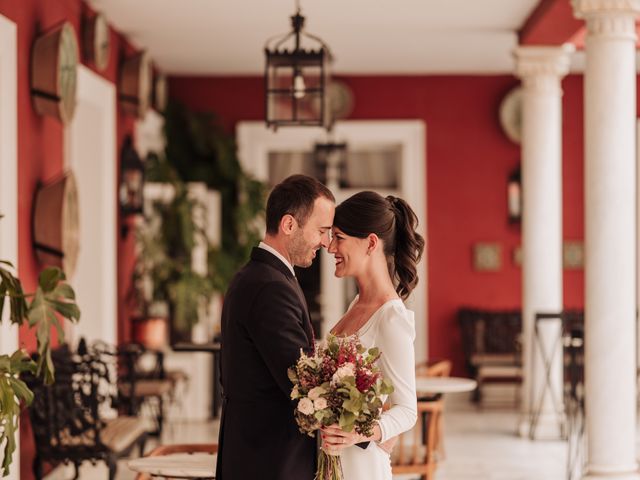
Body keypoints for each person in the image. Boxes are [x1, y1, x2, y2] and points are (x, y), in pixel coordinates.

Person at [216, 174, 335, 480]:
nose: (325, 242)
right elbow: (300, 381)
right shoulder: (271, 287)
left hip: (256, 452)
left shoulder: (258, 277)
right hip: (270, 460)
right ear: (289, 225)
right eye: (321, 231)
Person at [321, 190, 425, 480]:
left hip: (361, 466)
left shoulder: (391, 317)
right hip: (333, 460)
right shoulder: (357, 303)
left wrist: (360, 433)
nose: (330, 247)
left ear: (370, 243)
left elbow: (407, 410)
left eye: (339, 237)